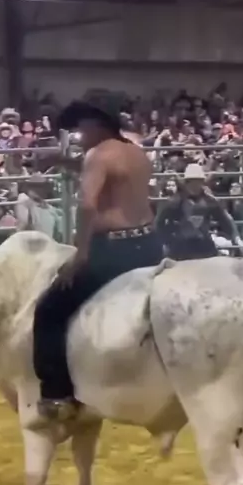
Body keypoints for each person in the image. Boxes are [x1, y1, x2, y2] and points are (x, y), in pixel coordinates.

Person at [32, 100, 163, 422]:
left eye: (81, 127)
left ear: (95, 125)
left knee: (49, 310)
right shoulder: (135, 152)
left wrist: (80, 254)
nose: (79, 134)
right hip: (148, 244)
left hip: (113, 251)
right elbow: (110, 173)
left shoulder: (98, 155)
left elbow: (88, 204)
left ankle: (56, 394)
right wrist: (65, 161)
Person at [156, 164, 243, 260]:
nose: (195, 185)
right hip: (181, 246)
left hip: (203, 245)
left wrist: (236, 238)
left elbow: (225, 220)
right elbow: (160, 222)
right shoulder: (175, 201)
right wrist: (166, 241)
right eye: (192, 182)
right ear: (187, 183)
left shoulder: (209, 201)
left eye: (198, 182)